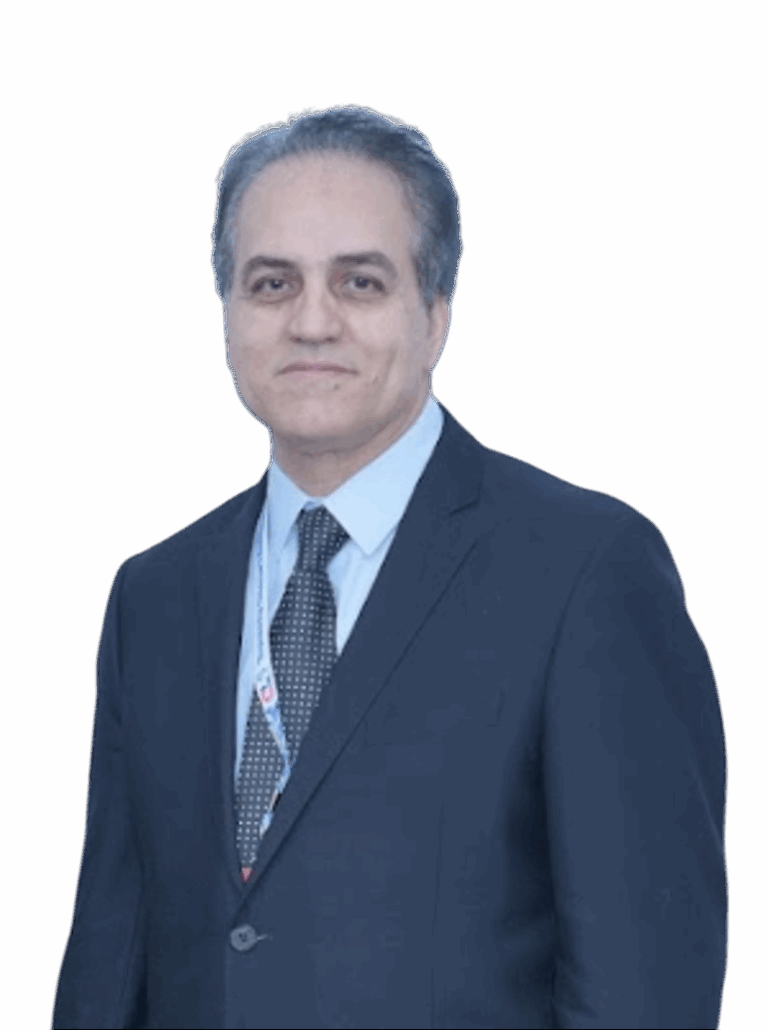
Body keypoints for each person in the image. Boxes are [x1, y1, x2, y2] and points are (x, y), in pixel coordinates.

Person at [51, 105, 728, 1030]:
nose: (311, 322)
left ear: (435, 315)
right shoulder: (155, 597)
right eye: (272, 283)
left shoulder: (587, 573)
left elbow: (645, 988)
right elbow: (108, 961)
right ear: (228, 313)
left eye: (360, 282)